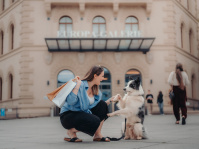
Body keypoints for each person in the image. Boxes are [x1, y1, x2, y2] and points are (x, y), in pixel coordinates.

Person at [59, 65, 112, 142]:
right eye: (102, 76)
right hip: (68, 115)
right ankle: (71, 131)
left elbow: (95, 107)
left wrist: (110, 100)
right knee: (95, 121)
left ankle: (97, 135)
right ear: (95, 76)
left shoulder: (96, 91)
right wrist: (77, 85)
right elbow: (71, 101)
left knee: (102, 104)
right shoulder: (80, 85)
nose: (103, 78)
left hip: (81, 114)